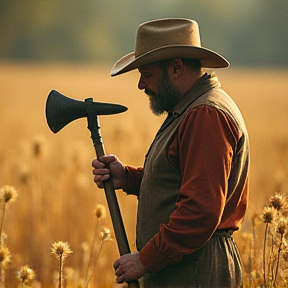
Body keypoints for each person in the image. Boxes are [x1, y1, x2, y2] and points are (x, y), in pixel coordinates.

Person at [92, 18, 249, 288]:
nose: (141, 84)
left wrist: (145, 259)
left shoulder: (205, 115)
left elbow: (200, 211)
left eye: (147, 74)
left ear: (175, 68)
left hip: (196, 270)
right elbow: (182, 181)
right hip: (186, 266)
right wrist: (127, 178)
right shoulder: (191, 109)